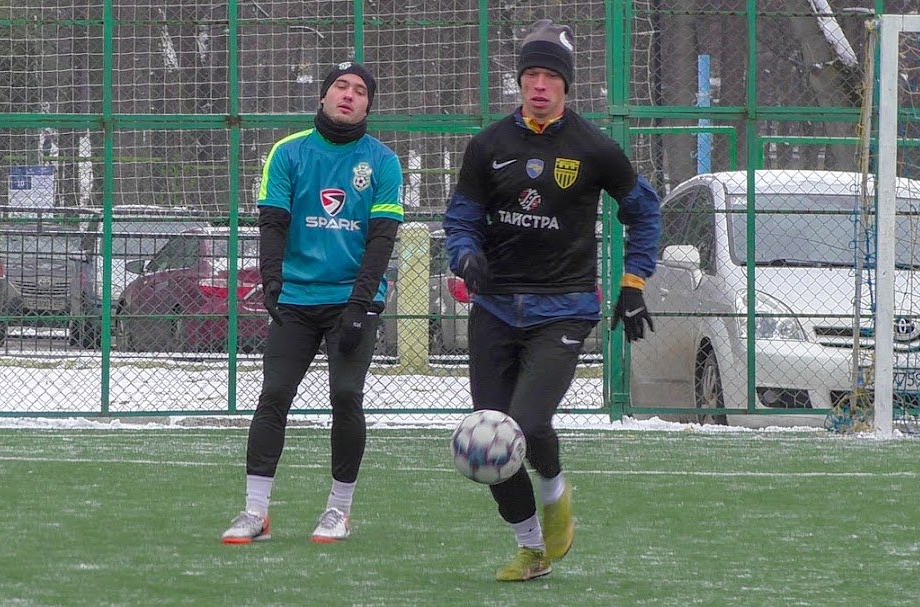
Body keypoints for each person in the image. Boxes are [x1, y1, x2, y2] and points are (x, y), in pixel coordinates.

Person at [443, 19, 661, 581]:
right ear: (519, 81)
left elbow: (644, 211)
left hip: (562, 308)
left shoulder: (594, 148)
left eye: (550, 76)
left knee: (526, 422)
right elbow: (461, 218)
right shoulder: (488, 145)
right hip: (494, 309)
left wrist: (633, 283)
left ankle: (556, 488)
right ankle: (531, 547)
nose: (539, 85)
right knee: (488, 445)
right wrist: (464, 254)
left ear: (566, 85)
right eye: (531, 74)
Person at [221, 61, 404, 544]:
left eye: (360, 90)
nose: (348, 95)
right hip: (297, 300)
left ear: (369, 104)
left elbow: (382, 238)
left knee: (345, 396)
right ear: (323, 97)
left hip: (352, 300)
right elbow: (273, 222)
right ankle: (255, 511)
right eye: (339, 86)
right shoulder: (288, 153)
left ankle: (338, 511)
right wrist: (272, 283)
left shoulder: (383, 162)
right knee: (274, 395)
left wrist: (360, 304)